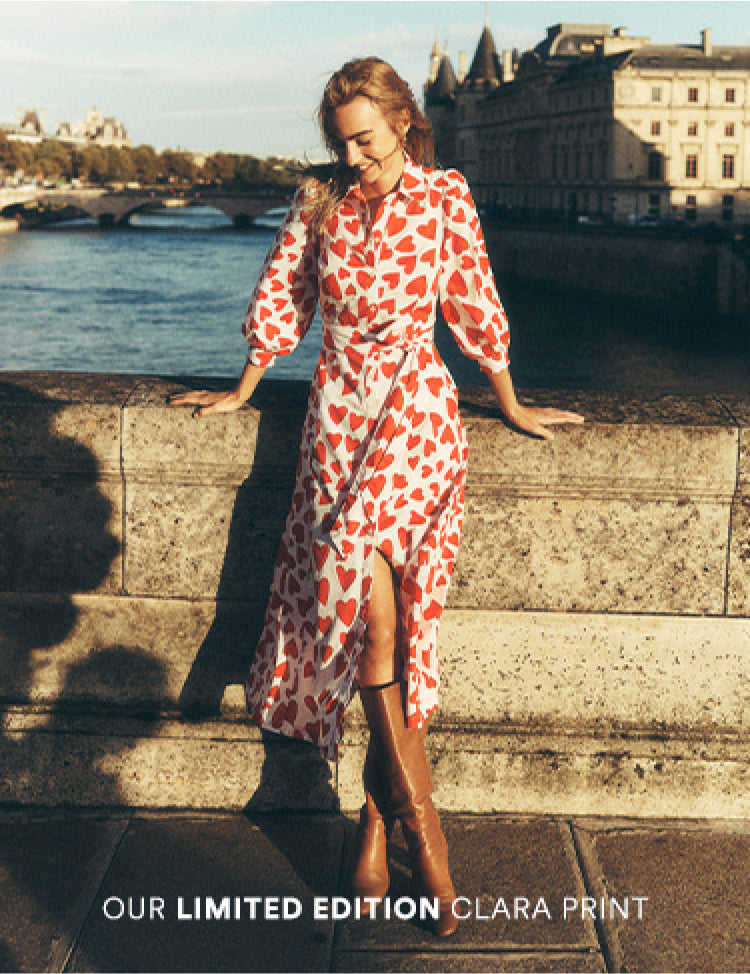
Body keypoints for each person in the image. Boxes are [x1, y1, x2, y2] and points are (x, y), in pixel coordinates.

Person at [169, 56, 584, 936]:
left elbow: (473, 300)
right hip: (337, 418)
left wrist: (510, 402)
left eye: (364, 138)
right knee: (380, 629)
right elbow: (285, 296)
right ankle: (377, 824)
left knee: (380, 618)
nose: (351, 156)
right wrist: (244, 387)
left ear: (403, 121)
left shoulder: (446, 197)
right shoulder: (317, 201)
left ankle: (420, 836)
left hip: (417, 416)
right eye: (340, 141)